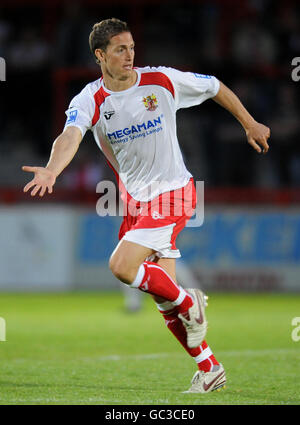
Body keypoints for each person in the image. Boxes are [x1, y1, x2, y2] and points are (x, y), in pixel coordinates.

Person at [22, 18, 270, 393]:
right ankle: (209, 368)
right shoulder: (90, 99)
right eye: (120, 49)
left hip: (173, 192)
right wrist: (53, 171)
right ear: (100, 55)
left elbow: (215, 86)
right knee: (162, 297)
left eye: (133, 47)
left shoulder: (162, 81)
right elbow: (70, 135)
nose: (130, 55)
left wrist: (249, 122)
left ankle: (192, 300)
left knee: (122, 267)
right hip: (136, 201)